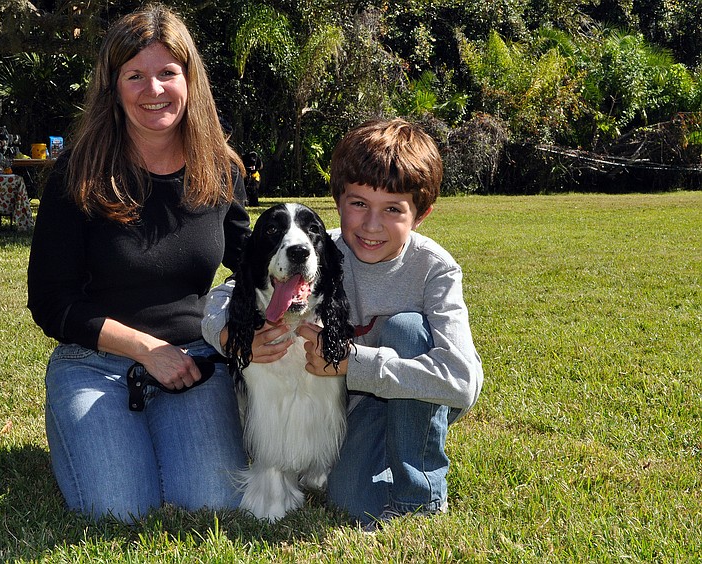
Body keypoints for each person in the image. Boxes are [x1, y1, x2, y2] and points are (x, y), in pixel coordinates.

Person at [201, 118, 483, 529]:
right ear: (339, 201)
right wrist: (227, 336)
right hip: (360, 404)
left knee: (406, 329)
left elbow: (463, 381)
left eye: (392, 209)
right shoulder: (320, 247)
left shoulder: (434, 270)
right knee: (351, 500)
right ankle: (369, 454)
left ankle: (420, 493)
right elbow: (227, 291)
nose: (371, 225)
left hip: (414, 397)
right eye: (359, 204)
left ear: (420, 214)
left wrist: (354, 363)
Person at [27, 4, 250, 523]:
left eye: (168, 73)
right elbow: (51, 302)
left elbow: (254, 267)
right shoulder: (77, 174)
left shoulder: (220, 171)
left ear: (189, 79)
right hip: (95, 363)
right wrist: (147, 349)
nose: (154, 90)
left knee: (213, 503)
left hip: (193, 364)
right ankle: (82, 427)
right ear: (113, 86)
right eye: (136, 75)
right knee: (119, 509)